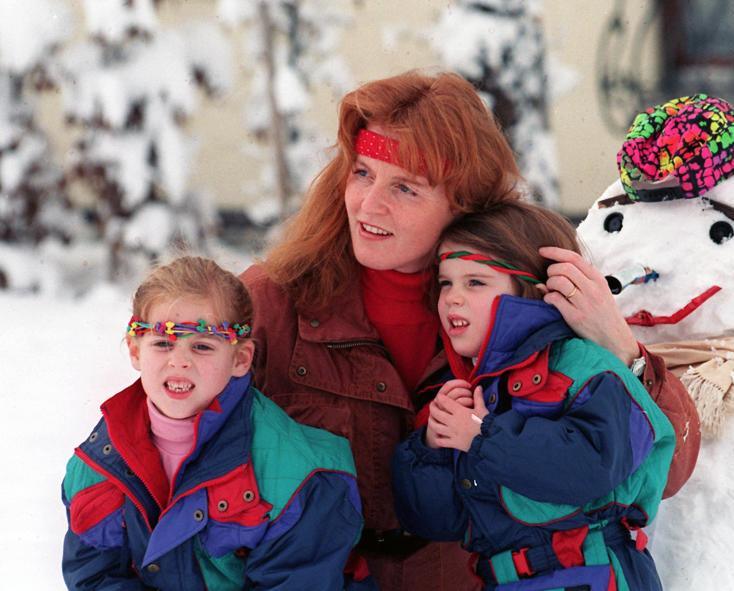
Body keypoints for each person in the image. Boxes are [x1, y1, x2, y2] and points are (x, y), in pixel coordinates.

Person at [241, 69, 699, 591]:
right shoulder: (274, 301)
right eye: (363, 173)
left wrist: (618, 345)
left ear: (461, 202)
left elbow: (667, 468)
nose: (368, 205)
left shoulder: (519, 307)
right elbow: (170, 441)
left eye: (405, 187)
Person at [392, 201, 674, 590]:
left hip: (589, 572)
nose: (452, 297)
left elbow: (592, 467)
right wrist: (431, 448)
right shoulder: (475, 391)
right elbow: (436, 522)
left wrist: (481, 438)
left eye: (475, 282)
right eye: (445, 283)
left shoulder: (585, 366)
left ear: (531, 293)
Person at [61, 256, 365, 590]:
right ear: (135, 351)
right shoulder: (99, 463)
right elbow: (93, 576)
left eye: (202, 346)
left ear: (240, 359)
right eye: (163, 343)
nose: (179, 361)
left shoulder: (302, 477)